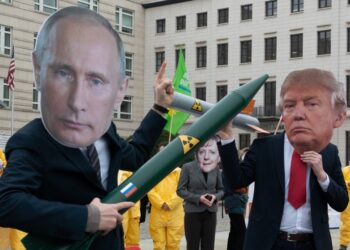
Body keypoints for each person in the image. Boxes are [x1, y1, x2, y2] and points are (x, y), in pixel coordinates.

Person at [0, 6, 174, 250]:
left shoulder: (105, 132)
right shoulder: (33, 140)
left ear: (119, 90)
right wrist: (86, 217)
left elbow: (135, 157)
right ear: (39, 71)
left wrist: (159, 109)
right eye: (63, 73)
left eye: (95, 80)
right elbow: (6, 203)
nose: (77, 101)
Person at [217, 68, 348, 250]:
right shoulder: (264, 148)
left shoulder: (329, 152)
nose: (299, 114)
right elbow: (236, 181)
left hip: (312, 244)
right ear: (283, 114)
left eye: (311, 104)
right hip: (270, 243)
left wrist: (322, 176)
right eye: (290, 106)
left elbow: (341, 203)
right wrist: (227, 139)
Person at [177, 138, 224, 250]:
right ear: (197, 152)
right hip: (193, 212)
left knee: (208, 246)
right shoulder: (187, 167)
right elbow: (180, 190)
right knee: (192, 246)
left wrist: (215, 197)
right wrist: (198, 198)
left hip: (210, 212)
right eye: (202, 151)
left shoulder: (215, 167)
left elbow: (222, 190)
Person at [148, 144, 184, 250]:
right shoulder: (153, 172)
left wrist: (169, 204)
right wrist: (161, 203)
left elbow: (182, 189)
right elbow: (150, 190)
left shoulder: (179, 172)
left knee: (173, 244)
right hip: (158, 213)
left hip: (175, 214)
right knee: (158, 245)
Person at [222, 148, 249, 250]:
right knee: (241, 231)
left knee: (234, 230)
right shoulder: (230, 168)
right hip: (233, 202)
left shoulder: (230, 167)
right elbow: (235, 186)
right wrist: (243, 189)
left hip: (235, 202)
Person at [118, 171, 141, 250]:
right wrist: (135, 185)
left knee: (133, 242)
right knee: (121, 237)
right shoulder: (120, 172)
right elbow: (123, 193)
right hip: (123, 211)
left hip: (133, 211)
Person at [340, 165, 350, 250]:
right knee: (346, 224)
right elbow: (340, 183)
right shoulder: (345, 170)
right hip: (347, 203)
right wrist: (348, 184)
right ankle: (343, 245)